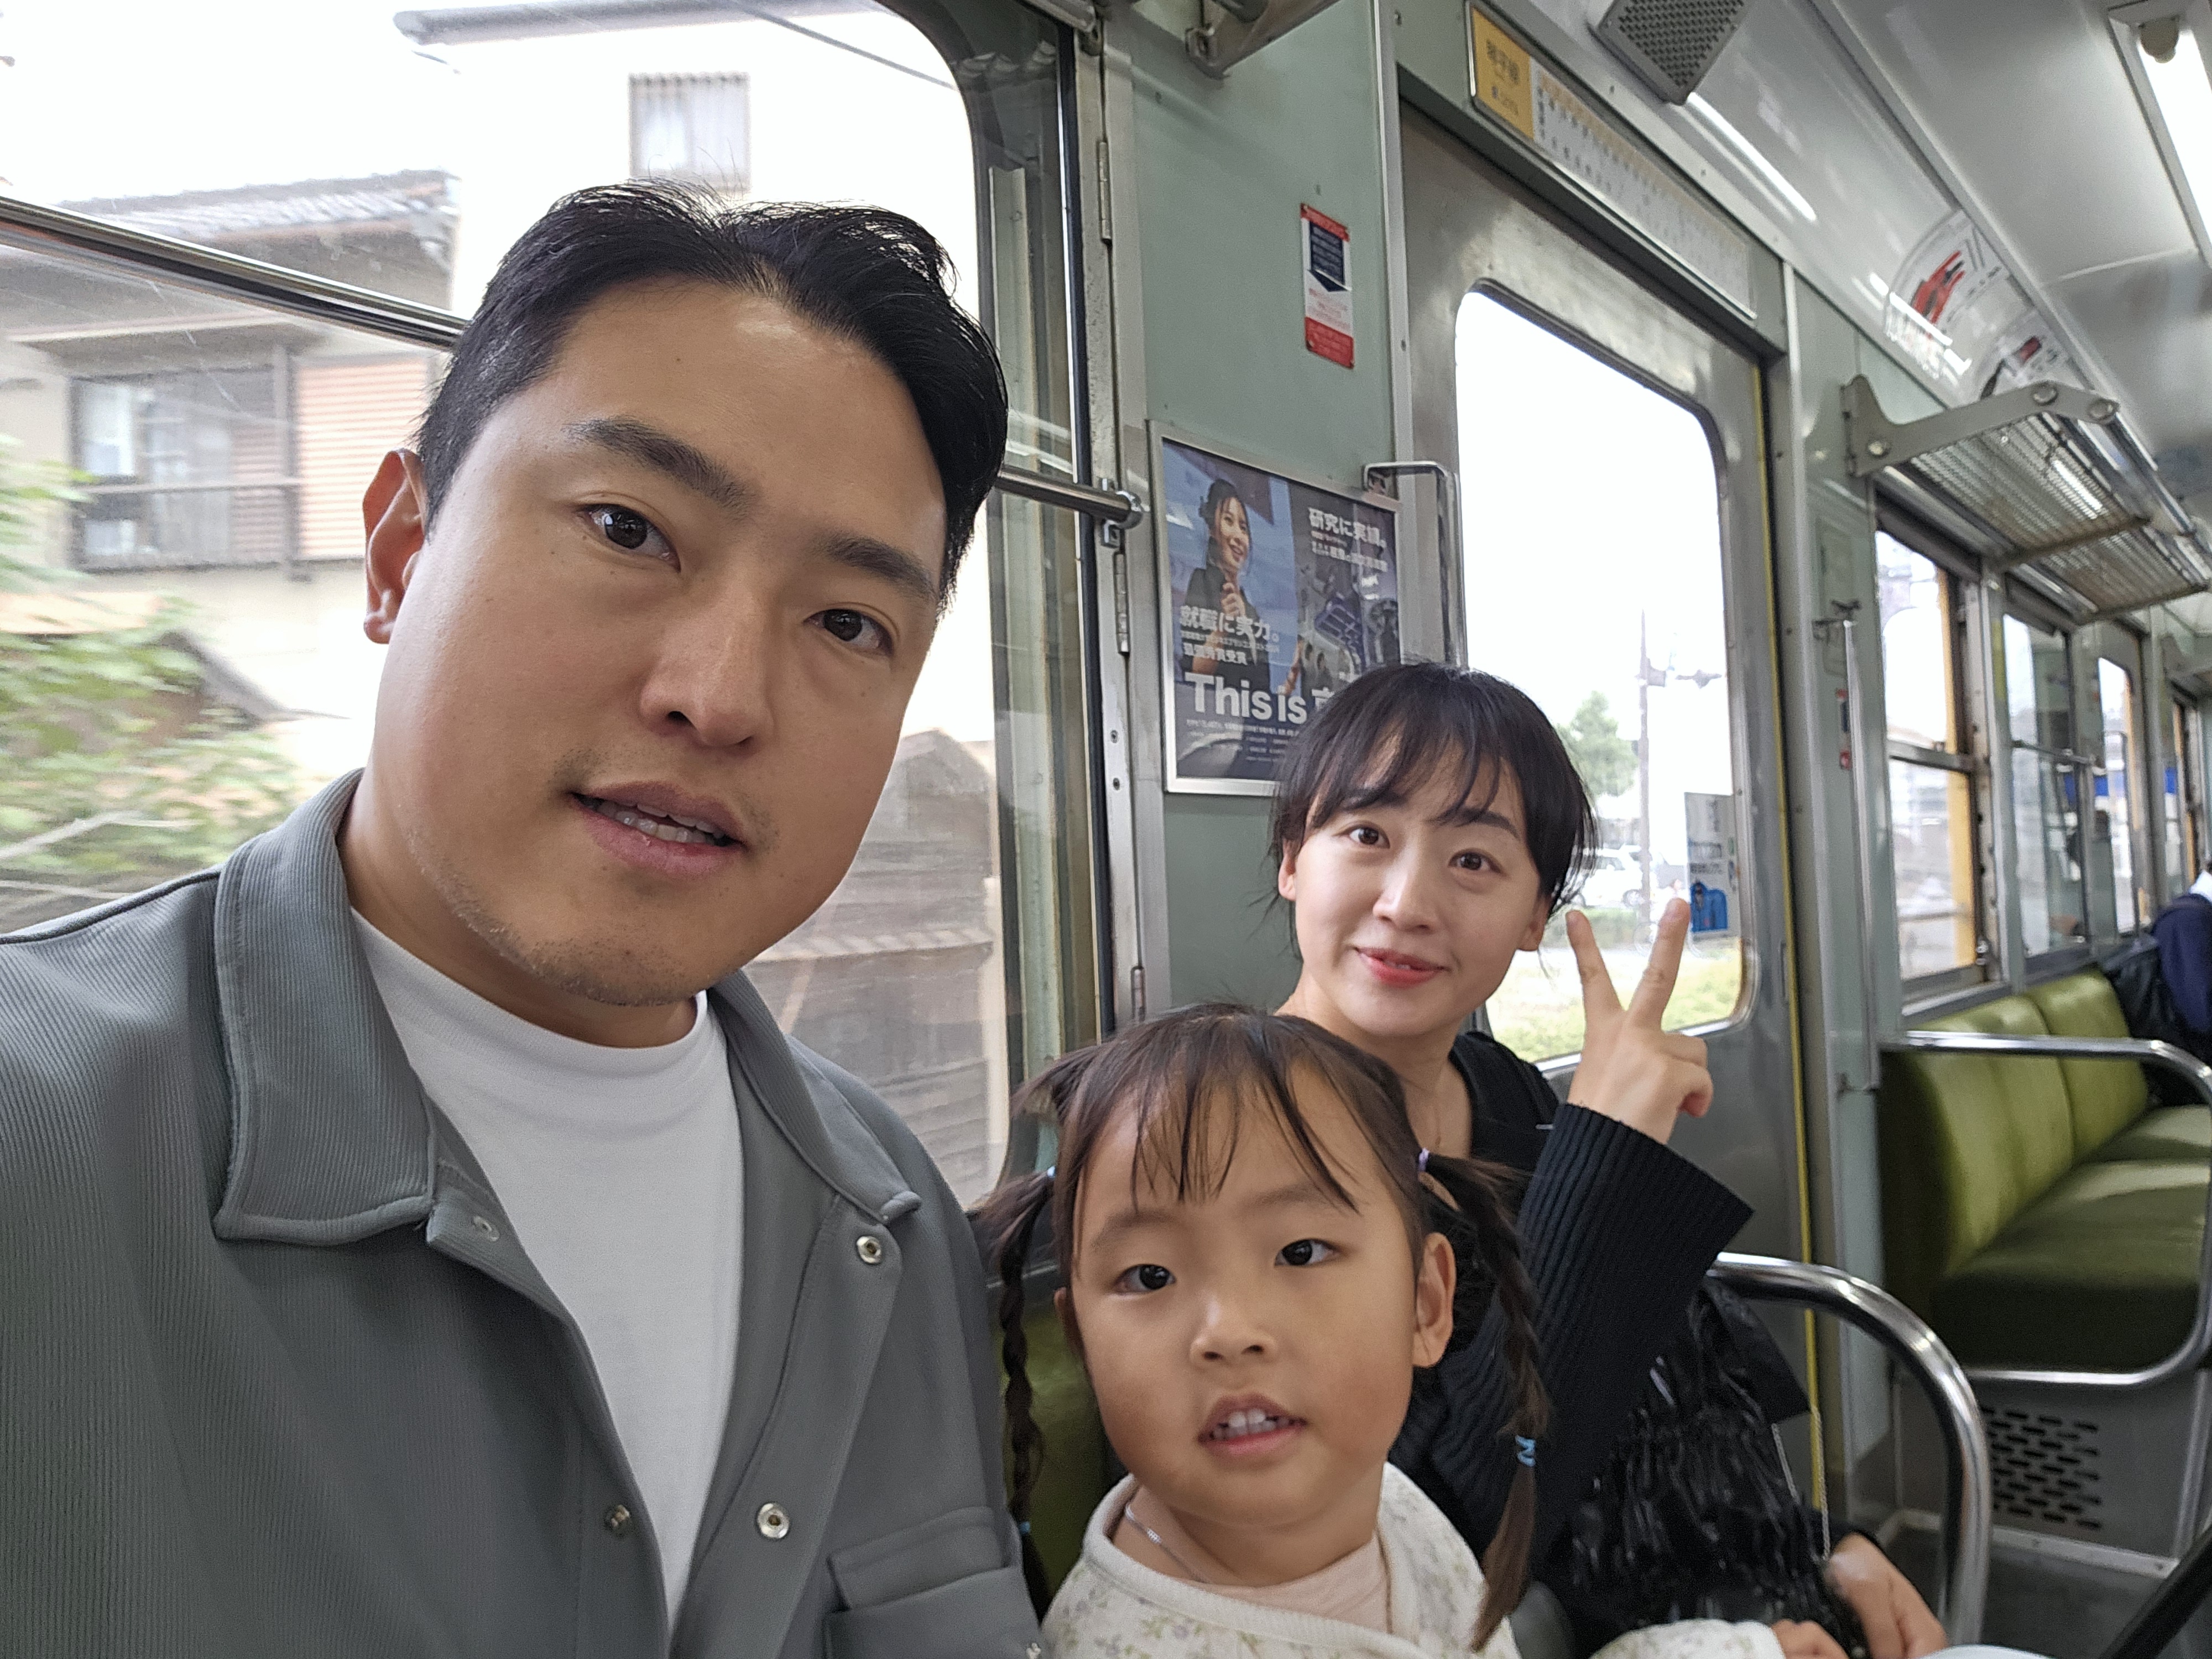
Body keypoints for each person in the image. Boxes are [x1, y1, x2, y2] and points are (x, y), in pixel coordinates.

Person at [0, 185, 1037, 1658]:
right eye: (628, 529)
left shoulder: (895, 1220)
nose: (719, 696)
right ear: (400, 549)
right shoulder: (41, 1146)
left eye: (846, 622)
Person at [1268, 662, 1947, 1659]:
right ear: (1294, 857)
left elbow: (1650, 1398)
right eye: (1367, 836)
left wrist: (1810, 1545)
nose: (1408, 902)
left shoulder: (1499, 1091)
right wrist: (1605, 1161)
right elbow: (1432, 1544)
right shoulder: (1241, 1139)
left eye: (1474, 861)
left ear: (1534, 917)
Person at [978, 1005, 1796, 1659]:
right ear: (1082, 1342)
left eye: (1301, 1252)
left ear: (1426, 1305)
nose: (1229, 1332)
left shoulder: (1388, 1506)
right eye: (1150, 1277)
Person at [1177, 478, 1286, 778]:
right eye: (1229, 521)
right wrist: (1223, 627)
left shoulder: (1250, 608)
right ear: (1212, 530)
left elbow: (1260, 684)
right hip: (1215, 741)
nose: (1239, 536)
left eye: (1244, 527)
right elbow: (1197, 672)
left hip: (1253, 739)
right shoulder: (1202, 583)